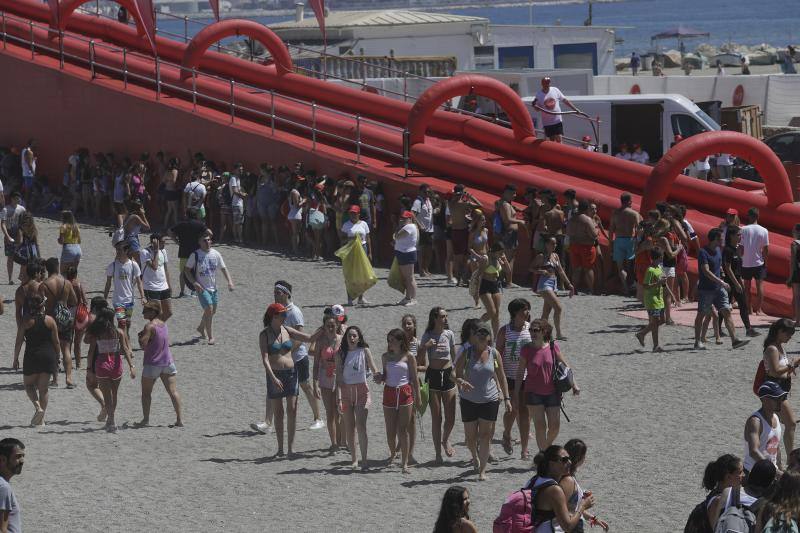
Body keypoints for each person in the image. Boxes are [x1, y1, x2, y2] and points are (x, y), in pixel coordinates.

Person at [454, 322, 510, 480]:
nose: (482, 336)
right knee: (470, 437)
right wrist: (460, 381)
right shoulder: (466, 352)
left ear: (489, 336)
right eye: (479, 333)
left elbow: (501, 376)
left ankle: (482, 471)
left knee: (486, 435)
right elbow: (454, 373)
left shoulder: (494, 354)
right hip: (468, 400)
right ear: (474, 336)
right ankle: (475, 456)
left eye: (485, 333)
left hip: (489, 399)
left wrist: (506, 398)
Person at [517, 319, 580, 454]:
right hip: (533, 393)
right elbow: (520, 372)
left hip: (552, 392)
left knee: (554, 426)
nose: (532, 333)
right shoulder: (526, 349)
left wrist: (574, 384)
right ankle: (544, 453)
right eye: (531, 330)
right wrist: (516, 393)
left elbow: (565, 366)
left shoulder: (553, 346)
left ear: (544, 331)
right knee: (540, 426)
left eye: (536, 330)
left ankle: (546, 446)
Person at [273, 281, 324, 430]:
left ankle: (318, 418)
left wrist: (286, 351)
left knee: (305, 385)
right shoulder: (277, 311)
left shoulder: (294, 312)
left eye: (278, 292)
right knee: (277, 387)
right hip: (283, 357)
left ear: (287, 294)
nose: (275, 295)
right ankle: (268, 421)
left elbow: (300, 337)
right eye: (275, 292)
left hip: (297, 357)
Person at [693, 228, 749, 350]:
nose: (722, 239)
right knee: (701, 314)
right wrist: (722, 282)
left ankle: (734, 340)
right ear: (714, 239)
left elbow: (719, 267)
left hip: (719, 289)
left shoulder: (719, 250)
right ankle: (697, 341)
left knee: (726, 312)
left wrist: (722, 274)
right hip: (706, 289)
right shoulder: (703, 252)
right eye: (720, 238)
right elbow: (706, 271)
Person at [524, 445, 596, 532]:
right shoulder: (555, 490)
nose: (569, 462)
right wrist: (583, 506)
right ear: (551, 463)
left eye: (569, 459)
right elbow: (568, 527)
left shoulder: (533, 480)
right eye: (564, 460)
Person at [336, 325, 379, 470]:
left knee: (361, 425)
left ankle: (364, 459)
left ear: (359, 337)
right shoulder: (340, 353)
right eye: (349, 336)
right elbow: (339, 378)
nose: (352, 338)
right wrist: (339, 398)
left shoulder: (364, 350)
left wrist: (379, 376)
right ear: (345, 338)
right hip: (347, 392)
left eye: (354, 336)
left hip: (362, 390)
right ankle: (354, 459)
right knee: (350, 427)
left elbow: (373, 368)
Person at [13, 294, 59, 428]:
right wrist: (58, 357)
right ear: (43, 306)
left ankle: (37, 407)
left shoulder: (26, 322)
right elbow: (56, 342)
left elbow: (18, 342)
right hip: (48, 356)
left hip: (32, 356)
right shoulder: (50, 321)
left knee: (28, 385)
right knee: (43, 389)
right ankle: (41, 420)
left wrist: (15, 359)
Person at [378, 328, 421, 474]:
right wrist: (379, 378)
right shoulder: (385, 357)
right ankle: (392, 454)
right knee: (390, 431)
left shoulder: (409, 356)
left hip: (405, 392)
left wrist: (418, 398)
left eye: (393, 340)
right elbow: (385, 376)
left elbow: (414, 379)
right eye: (388, 340)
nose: (390, 343)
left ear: (401, 341)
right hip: (389, 392)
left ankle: (404, 463)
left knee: (403, 430)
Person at [87, 307, 135, 432]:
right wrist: (131, 366)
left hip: (102, 364)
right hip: (116, 364)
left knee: (107, 396)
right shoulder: (119, 332)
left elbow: (91, 351)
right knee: (114, 394)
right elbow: (124, 349)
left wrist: (89, 369)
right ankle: (110, 420)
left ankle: (111, 421)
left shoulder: (98, 333)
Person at [420, 307, 458, 464]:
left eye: (446, 316)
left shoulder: (449, 334)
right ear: (434, 318)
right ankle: (437, 453)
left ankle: (445, 439)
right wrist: (425, 346)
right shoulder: (428, 335)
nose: (445, 319)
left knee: (451, 417)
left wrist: (457, 372)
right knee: (437, 417)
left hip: (448, 374)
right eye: (442, 316)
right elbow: (420, 359)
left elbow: (455, 356)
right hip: (433, 375)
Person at [136, 300, 183, 427]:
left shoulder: (149, 326)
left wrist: (139, 337)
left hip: (152, 363)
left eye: (145, 310)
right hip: (167, 362)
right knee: (173, 392)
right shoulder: (163, 324)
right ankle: (179, 419)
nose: (142, 313)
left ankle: (145, 420)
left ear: (153, 311)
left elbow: (143, 345)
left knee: (146, 394)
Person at [496, 298, 532, 459]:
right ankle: (507, 433)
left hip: (527, 377)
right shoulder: (505, 331)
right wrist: (498, 376)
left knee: (525, 412)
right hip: (509, 376)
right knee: (512, 410)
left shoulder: (531, 329)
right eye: (524, 309)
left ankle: (524, 449)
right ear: (515, 312)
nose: (527, 312)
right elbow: (496, 354)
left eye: (528, 309)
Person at [184, 233, 234, 345]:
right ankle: (210, 336)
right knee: (209, 309)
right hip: (202, 288)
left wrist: (230, 282)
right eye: (204, 240)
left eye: (209, 240)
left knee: (212, 311)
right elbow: (186, 270)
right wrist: (194, 283)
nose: (207, 242)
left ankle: (201, 328)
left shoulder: (216, 254)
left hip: (214, 288)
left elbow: (224, 268)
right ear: (199, 242)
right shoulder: (195, 255)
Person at [763, 318, 800, 457]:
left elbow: (782, 371)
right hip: (774, 391)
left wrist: (794, 364)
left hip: (779, 390)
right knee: (790, 423)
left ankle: (776, 459)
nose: (790, 338)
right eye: (788, 334)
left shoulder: (779, 346)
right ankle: (790, 459)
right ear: (780, 331)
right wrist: (789, 366)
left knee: (776, 426)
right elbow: (774, 371)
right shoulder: (772, 348)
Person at [39, 258, 77, 388]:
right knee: (66, 348)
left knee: (53, 349)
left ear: (47, 269)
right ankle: (69, 378)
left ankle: (55, 379)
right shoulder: (66, 282)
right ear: (57, 267)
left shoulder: (44, 285)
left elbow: (40, 304)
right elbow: (74, 300)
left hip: (50, 320)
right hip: (65, 318)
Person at [310, 314, 344, 451]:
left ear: (337, 325)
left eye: (332, 325)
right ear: (324, 327)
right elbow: (316, 363)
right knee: (330, 412)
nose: (330, 327)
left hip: (340, 378)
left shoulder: (342, 340)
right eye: (328, 325)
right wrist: (315, 383)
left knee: (340, 411)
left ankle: (342, 441)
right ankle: (334, 442)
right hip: (325, 377)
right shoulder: (320, 342)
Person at [561, 439, 610, 531]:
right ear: (580, 458)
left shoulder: (568, 476)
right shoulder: (568, 480)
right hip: (570, 527)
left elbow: (572, 507)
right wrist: (584, 505)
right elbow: (561, 509)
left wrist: (593, 518)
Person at [712, 459, 776, 527]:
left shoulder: (728, 492)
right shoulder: (766, 506)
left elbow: (715, 525)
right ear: (770, 483)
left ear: (751, 474)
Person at [532, 236, 573, 340]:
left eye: (555, 244)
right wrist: (540, 271)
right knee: (558, 307)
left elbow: (561, 271)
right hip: (544, 285)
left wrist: (569, 284)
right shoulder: (541, 257)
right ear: (546, 245)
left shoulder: (555, 256)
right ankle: (558, 333)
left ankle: (538, 334)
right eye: (552, 243)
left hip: (553, 284)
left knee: (546, 312)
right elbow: (530, 268)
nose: (555, 245)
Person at [721, 226, 759, 338]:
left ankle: (748, 329)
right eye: (738, 235)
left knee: (743, 304)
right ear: (731, 236)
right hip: (729, 281)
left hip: (737, 279)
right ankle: (718, 329)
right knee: (723, 305)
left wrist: (740, 281)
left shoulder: (736, 249)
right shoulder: (727, 250)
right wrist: (736, 283)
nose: (740, 237)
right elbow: (727, 268)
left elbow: (737, 268)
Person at [104, 233, 144, 336]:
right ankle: (123, 344)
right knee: (121, 323)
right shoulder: (112, 266)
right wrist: (105, 297)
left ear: (126, 251)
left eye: (120, 250)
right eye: (117, 250)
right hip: (118, 301)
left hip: (130, 300)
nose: (117, 252)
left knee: (128, 322)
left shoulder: (133, 265)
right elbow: (108, 283)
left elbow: (139, 282)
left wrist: (143, 297)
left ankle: (125, 339)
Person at [470, 242, 511, 337]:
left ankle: (496, 338)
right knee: (491, 312)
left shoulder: (499, 259)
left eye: (503, 253)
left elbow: (508, 271)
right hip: (485, 285)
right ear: (494, 251)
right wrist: (476, 293)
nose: (502, 255)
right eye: (500, 253)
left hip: (495, 285)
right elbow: (479, 276)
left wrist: (505, 260)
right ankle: (476, 326)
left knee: (496, 314)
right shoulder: (486, 259)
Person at [745, 381, 786, 474]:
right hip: (754, 473)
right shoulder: (755, 422)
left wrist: (780, 467)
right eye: (776, 398)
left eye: (781, 397)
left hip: (771, 472)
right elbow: (754, 451)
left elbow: (776, 446)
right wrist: (774, 471)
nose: (780, 401)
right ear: (764, 399)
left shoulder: (776, 417)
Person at [636, 248, 671, 352]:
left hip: (659, 299)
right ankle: (655, 346)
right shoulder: (650, 270)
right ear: (659, 257)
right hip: (652, 299)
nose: (663, 257)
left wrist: (670, 293)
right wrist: (658, 283)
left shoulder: (659, 268)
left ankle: (642, 333)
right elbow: (645, 286)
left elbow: (663, 283)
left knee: (662, 320)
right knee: (655, 322)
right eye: (662, 256)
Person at [700, 454, 745, 530]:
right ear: (728, 477)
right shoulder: (718, 501)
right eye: (740, 472)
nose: (743, 475)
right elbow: (713, 529)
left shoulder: (724, 495)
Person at [168, 210, 208, 298]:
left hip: (184, 251)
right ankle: (195, 290)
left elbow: (170, 232)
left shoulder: (181, 224)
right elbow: (210, 233)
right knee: (196, 271)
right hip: (196, 251)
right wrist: (202, 240)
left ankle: (182, 292)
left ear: (186, 215)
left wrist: (176, 241)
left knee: (183, 272)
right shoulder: (199, 224)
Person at [449, 184, 482, 285]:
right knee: (465, 257)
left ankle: (458, 279)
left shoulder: (451, 203)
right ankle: (463, 278)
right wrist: (470, 196)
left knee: (457, 257)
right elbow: (480, 205)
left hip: (454, 231)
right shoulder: (464, 203)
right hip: (463, 231)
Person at [609, 192, 641, 295]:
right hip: (630, 240)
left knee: (620, 267)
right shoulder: (633, 213)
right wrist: (638, 241)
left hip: (618, 240)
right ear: (629, 202)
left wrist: (611, 243)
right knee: (630, 266)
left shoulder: (615, 213)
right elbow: (639, 228)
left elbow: (611, 230)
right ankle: (632, 287)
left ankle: (626, 288)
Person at [532, 77, 581, 143]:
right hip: (547, 122)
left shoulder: (555, 90)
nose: (547, 85)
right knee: (552, 140)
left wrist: (575, 109)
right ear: (542, 84)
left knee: (559, 138)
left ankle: (561, 151)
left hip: (557, 120)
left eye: (548, 83)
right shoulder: (539, 95)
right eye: (545, 83)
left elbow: (565, 100)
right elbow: (537, 109)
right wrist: (535, 106)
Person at [741, 207, 769, 315]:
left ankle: (749, 309)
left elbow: (741, 248)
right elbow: (766, 249)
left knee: (747, 287)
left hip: (746, 262)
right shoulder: (764, 230)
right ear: (758, 216)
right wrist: (766, 262)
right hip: (758, 262)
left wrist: (741, 258)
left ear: (750, 216)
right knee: (759, 286)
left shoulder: (743, 229)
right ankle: (759, 310)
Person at [566, 200, 599, 294]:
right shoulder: (587, 220)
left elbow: (568, 232)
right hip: (586, 246)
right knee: (588, 268)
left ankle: (574, 289)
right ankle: (591, 290)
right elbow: (593, 235)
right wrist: (597, 229)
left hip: (574, 245)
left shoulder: (572, 219)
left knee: (576, 268)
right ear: (587, 209)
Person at [139, 233, 172, 321]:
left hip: (163, 286)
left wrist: (169, 285)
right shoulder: (145, 252)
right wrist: (156, 251)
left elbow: (166, 270)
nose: (164, 244)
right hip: (151, 287)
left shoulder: (163, 251)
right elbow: (155, 266)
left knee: (169, 312)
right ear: (155, 242)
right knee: (157, 314)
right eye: (162, 242)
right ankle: (155, 331)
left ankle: (157, 329)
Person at [495, 184, 521, 286]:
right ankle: (508, 281)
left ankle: (503, 280)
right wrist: (521, 222)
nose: (514, 195)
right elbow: (507, 220)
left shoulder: (504, 203)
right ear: (506, 193)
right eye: (512, 193)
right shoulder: (505, 204)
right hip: (509, 233)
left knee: (507, 257)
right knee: (507, 258)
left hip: (510, 234)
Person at [394, 210, 418, 306]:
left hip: (407, 253)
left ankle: (413, 299)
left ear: (410, 219)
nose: (402, 220)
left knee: (410, 278)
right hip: (403, 252)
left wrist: (399, 228)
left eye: (405, 218)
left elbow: (397, 236)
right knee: (406, 278)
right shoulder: (407, 226)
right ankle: (408, 298)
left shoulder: (410, 226)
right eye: (402, 218)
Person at [0, 438, 24, 533]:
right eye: (18, 457)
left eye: (23, 456)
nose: (22, 461)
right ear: (2, 459)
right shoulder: (3, 487)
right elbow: (2, 530)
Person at [2, 192, 26, 285]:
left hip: (19, 235)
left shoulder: (22, 209)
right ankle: (10, 279)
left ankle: (21, 276)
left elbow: (25, 222)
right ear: (12, 198)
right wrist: (7, 236)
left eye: (19, 198)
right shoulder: (5, 209)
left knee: (24, 257)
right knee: (10, 257)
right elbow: (3, 223)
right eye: (16, 198)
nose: (18, 200)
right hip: (10, 235)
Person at [412, 184, 435, 277]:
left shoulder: (428, 200)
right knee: (422, 250)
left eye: (428, 192)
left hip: (430, 229)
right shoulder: (418, 201)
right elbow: (412, 214)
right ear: (420, 192)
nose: (427, 194)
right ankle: (421, 270)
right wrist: (419, 225)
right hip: (422, 230)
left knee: (429, 250)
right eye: (425, 192)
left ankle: (426, 268)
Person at [122, 199, 150, 265]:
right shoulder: (135, 217)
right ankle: (140, 275)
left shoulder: (129, 215)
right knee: (139, 261)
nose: (143, 208)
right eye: (142, 207)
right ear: (139, 209)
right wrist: (143, 215)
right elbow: (147, 227)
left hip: (126, 239)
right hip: (132, 239)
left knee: (129, 260)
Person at [229, 163, 247, 244]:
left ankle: (237, 239)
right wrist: (243, 195)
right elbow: (235, 191)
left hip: (237, 203)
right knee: (239, 223)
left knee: (236, 222)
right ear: (234, 170)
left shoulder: (237, 178)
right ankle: (239, 239)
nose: (241, 171)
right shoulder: (233, 178)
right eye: (239, 170)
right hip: (236, 203)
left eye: (242, 169)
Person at [789, 224, 800, 327]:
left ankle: (798, 320)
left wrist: (790, 276)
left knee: (797, 297)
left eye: (794, 231)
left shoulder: (794, 244)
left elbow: (792, 262)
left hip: (797, 272)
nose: (792, 232)